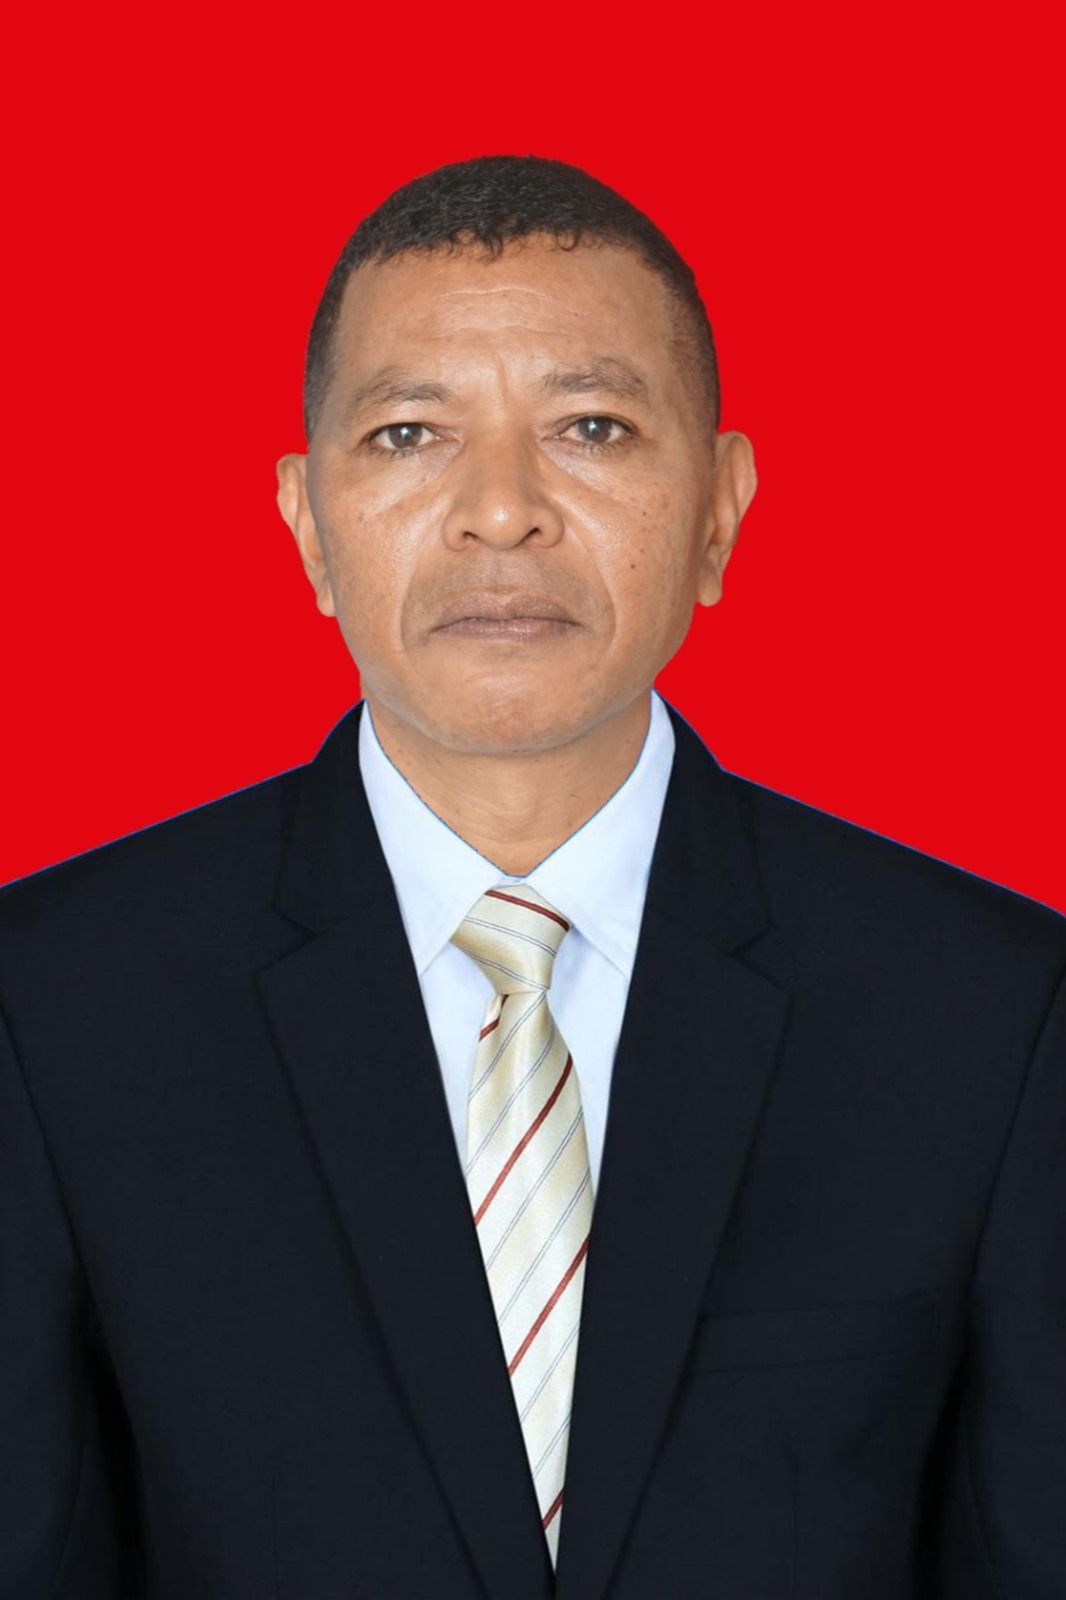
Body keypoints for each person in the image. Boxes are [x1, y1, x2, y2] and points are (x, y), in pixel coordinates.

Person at [1, 154, 1063, 1600]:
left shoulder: (989, 1013)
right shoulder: (55, 1007)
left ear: (720, 508)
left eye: (591, 427)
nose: (500, 511)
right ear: (308, 525)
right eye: (409, 434)